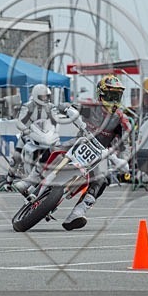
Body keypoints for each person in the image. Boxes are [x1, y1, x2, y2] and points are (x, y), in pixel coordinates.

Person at [61, 75, 132, 230]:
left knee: (102, 180)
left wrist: (124, 161)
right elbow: (70, 106)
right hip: (79, 143)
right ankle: (32, 183)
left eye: (117, 96)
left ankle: (77, 213)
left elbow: (125, 145)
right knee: (55, 148)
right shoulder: (90, 107)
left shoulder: (121, 119)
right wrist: (66, 108)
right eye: (111, 95)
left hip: (99, 156)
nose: (114, 100)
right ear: (101, 94)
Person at [10, 84, 62, 195]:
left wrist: (55, 130)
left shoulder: (51, 107)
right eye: (43, 96)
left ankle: (51, 177)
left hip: (46, 135)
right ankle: (9, 179)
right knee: (16, 156)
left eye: (47, 96)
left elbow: (56, 121)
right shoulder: (28, 106)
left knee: (57, 149)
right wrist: (26, 130)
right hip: (30, 133)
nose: (46, 99)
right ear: (36, 95)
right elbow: (19, 122)